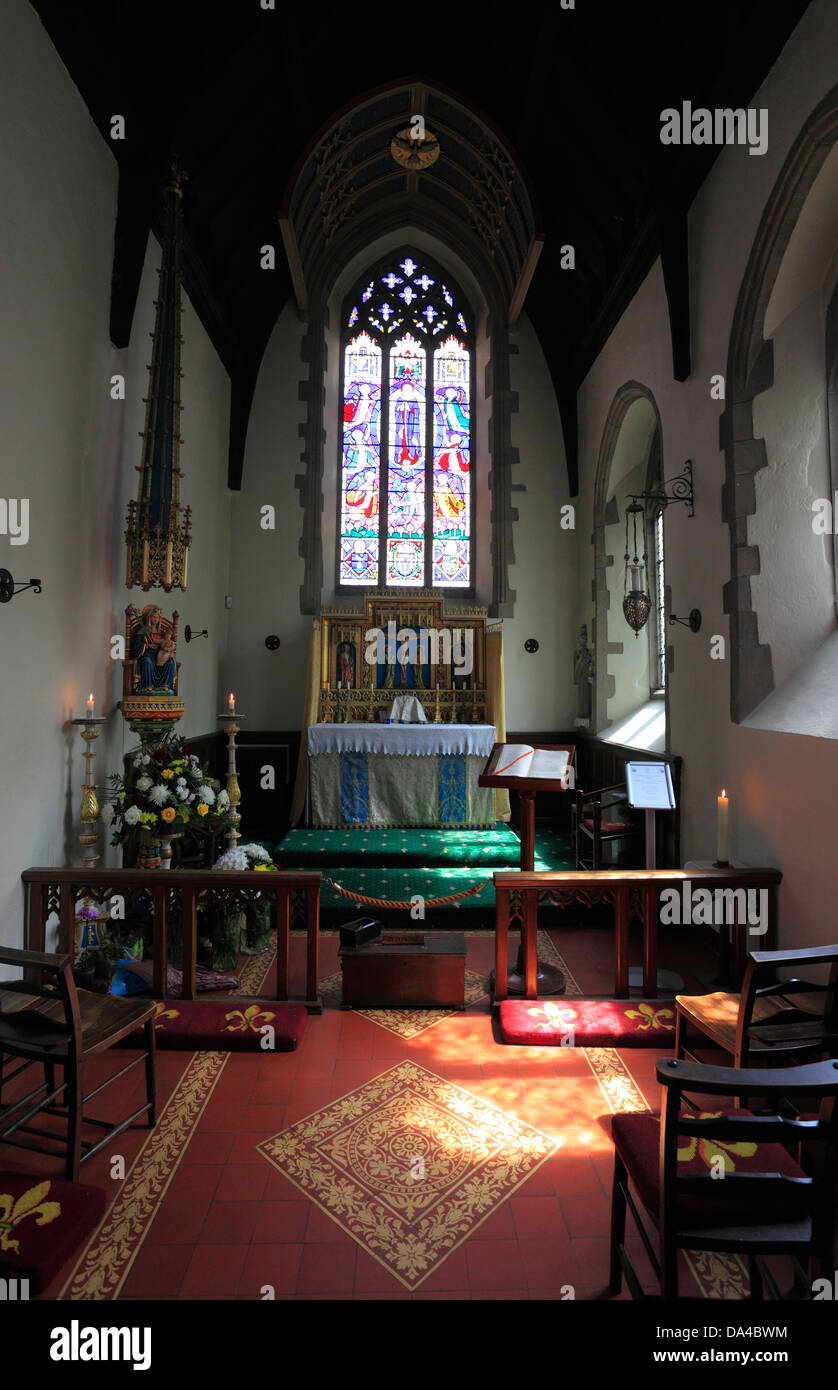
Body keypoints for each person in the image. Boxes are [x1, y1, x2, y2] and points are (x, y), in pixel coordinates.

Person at [132, 605, 177, 692]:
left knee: (171, 662)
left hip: (160, 653)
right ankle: (148, 686)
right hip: (148, 654)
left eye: (157, 617)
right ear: (149, 618)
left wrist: (165, 646)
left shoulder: (163, 632)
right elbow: (137, 645)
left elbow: (168, 642)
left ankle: (165, 685)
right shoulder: (143, 630)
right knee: (147, 661)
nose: (155, 619)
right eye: (153, 617)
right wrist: (146, 645)